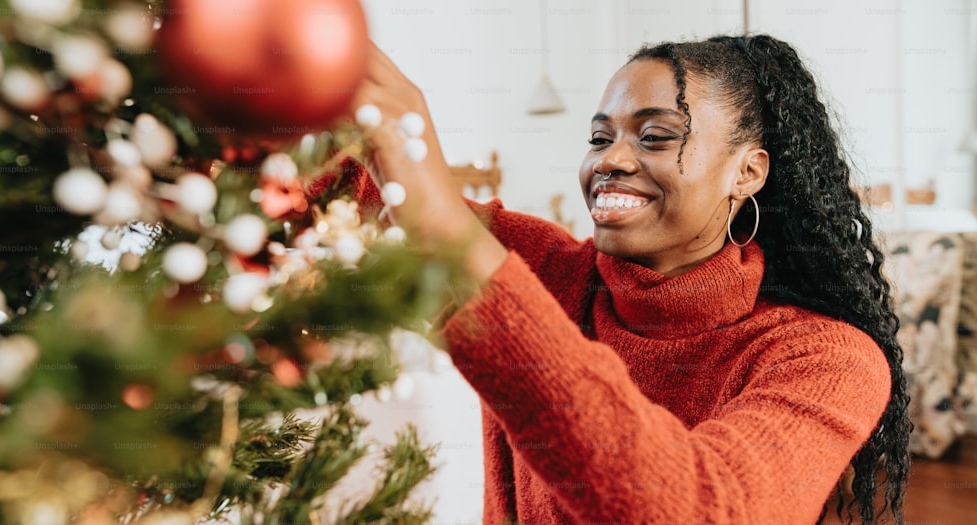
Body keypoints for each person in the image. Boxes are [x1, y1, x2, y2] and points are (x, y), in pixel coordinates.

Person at [349, 34, 910, 524]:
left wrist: (445, 228)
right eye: (599, 138)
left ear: (747, 172)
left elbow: (705, 512)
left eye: (655, 136)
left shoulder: (827, 359)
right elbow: (346, 192)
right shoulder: (543, 269)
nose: (610, 160)